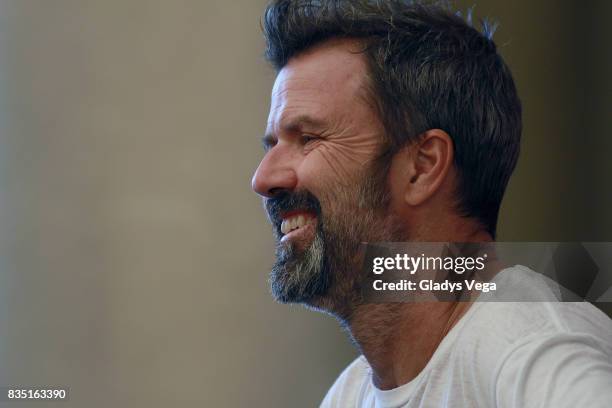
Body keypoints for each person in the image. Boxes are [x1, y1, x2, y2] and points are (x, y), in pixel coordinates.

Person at [251, 1, 612, 406]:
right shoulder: (349, 395)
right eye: (273, 144)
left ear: (422, 168)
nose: (263, 179)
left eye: (309, 139)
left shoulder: (535, 358)